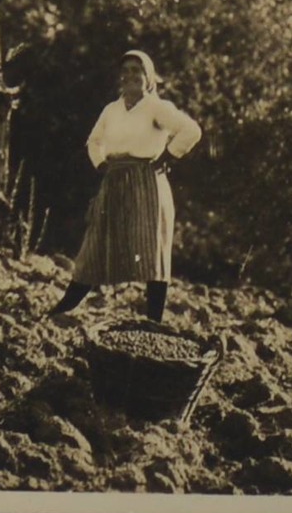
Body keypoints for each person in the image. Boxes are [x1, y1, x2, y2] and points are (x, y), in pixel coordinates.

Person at [51, 50, 202, 323]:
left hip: (147, 184)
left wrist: (168, 156)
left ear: (149, 77)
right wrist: (100, 164)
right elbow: (94, 141)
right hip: (114, 182)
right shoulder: (111, 109)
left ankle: (153, 321)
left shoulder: (157, 108)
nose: (131, 76)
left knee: (151, 250)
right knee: (94, 247)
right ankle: (63, 309)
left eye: (138, 70)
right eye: (127, 70)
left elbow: (191, 130)